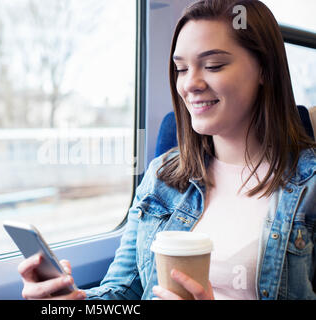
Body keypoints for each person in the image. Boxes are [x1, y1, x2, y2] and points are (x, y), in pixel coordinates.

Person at [18, 0, 316, 300]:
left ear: (264, 69)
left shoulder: (310, 186)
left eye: (213, 66)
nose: (190, 84)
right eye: (181, 68)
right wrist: (67, 303)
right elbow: (122, 293)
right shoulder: (161, 177)